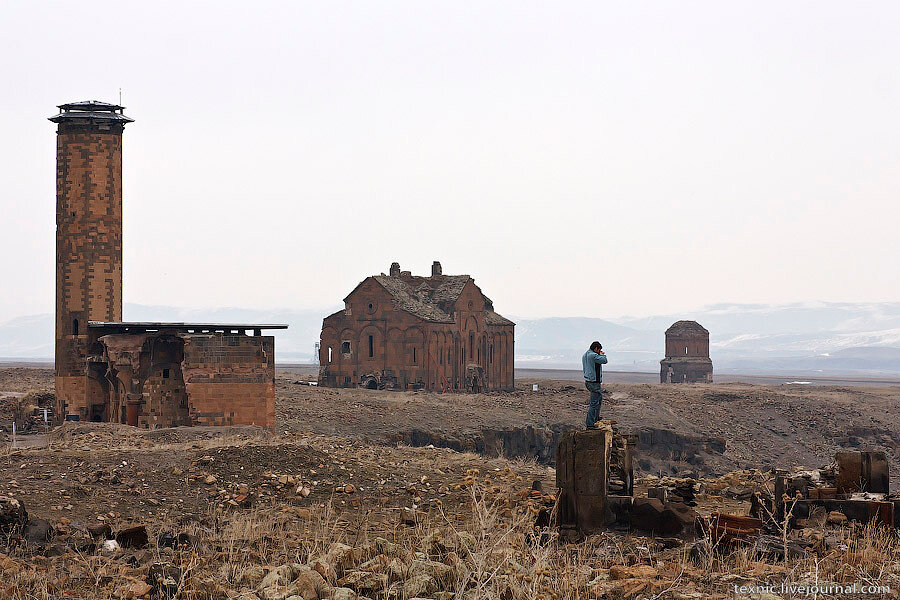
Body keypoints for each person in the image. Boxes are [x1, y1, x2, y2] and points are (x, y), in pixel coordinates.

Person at [582, 341, 608, 429]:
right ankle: (590, 423)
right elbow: (604, 360)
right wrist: (602, 354)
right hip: (593, 382)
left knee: (598, 399)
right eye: (599, 350)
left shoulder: (585, 355)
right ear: (596, 349)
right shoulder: (592, 355)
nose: (599, 352)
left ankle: (595, 418)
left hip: (589, 381)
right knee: (594, 403)